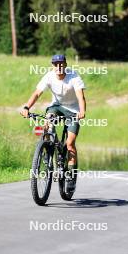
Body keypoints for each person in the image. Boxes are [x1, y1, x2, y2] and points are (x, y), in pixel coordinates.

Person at [21, 54, 86, 190]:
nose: (59, 66)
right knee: (47, 123)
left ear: (65, 65)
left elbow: (81, 96)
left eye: (61, 64)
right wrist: (27, 107)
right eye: (56, 64)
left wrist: (82, 110)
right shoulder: (49, 76)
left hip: (73, 111)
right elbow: (37, 93)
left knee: (69, 144)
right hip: (56, 107)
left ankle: (71, 177)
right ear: (53, 66)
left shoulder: (73, 76)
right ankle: (47, 151)